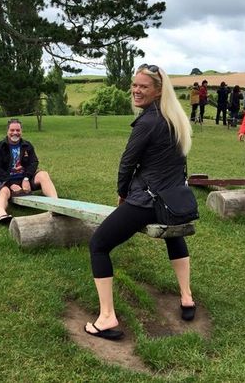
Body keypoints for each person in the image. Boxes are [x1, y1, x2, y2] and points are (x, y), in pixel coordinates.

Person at [85, 64, 195, 340]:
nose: (136, 90)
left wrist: (123, 193)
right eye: (134, 85)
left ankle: (107, 317)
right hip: (173, 203)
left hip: (147, 201)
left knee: (98, 244)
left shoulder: (148, 122)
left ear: (158, 91)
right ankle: (186, 296)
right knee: (174, 234)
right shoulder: (175, 118)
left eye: (143, 86)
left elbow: (127, 163)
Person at [0, 118, 58, 224]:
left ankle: (56, 205)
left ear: (21, 131)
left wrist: (26, 178)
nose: (15, 133)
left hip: (23, 178)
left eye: (18, 130)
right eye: (12, 130)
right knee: (4, 192)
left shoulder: (27, 145)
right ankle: (2, 215)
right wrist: (10, 184)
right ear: (7, 131)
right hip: (4, 181)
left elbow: (34, 162)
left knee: (43, 174)